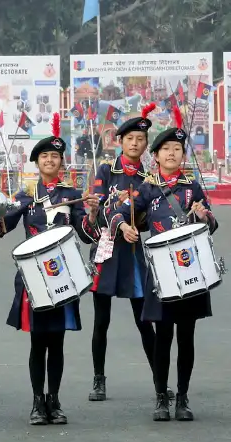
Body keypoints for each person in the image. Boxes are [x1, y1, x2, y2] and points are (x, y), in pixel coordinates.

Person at [0, 114, 101, 425]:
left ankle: (55, 399)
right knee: (38, 341)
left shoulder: (70, 196)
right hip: (32, 278)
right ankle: (37, 402)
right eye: (45, 156)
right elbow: (1, 228)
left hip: (64, 275)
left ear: (62, 163)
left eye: (55, 156)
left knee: (58, 341)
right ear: (37, 163)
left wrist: (92, 214)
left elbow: (87, 233)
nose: (50, 160)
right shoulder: (24, 197)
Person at [107, 109, 218, 421]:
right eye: (166, 149)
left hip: (190, 272)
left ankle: (182, 398)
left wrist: (202, 215)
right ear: (154, 155)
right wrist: (124, 227)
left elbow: (212, 224)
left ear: (182, 154)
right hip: (159, 275)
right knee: (163, 336)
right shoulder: (147, 188)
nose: (172, 153)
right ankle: (160, 397)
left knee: (186, 336)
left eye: (177, 149)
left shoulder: (193, 188)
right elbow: (118, 212)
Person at [88, 103, 167, 401]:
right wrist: (108, 209)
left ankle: (160, 381)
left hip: (133, 255)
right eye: (130, 139)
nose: (135, 144)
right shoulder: (107, 170)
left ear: (147, 146)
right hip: (107, 252)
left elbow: (149, 221)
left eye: (141, 140)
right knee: (101, 321)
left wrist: (141, 218)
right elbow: (95, 210)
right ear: (119, 141)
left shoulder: (149, 178)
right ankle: (99, 379)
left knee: (145, 321)